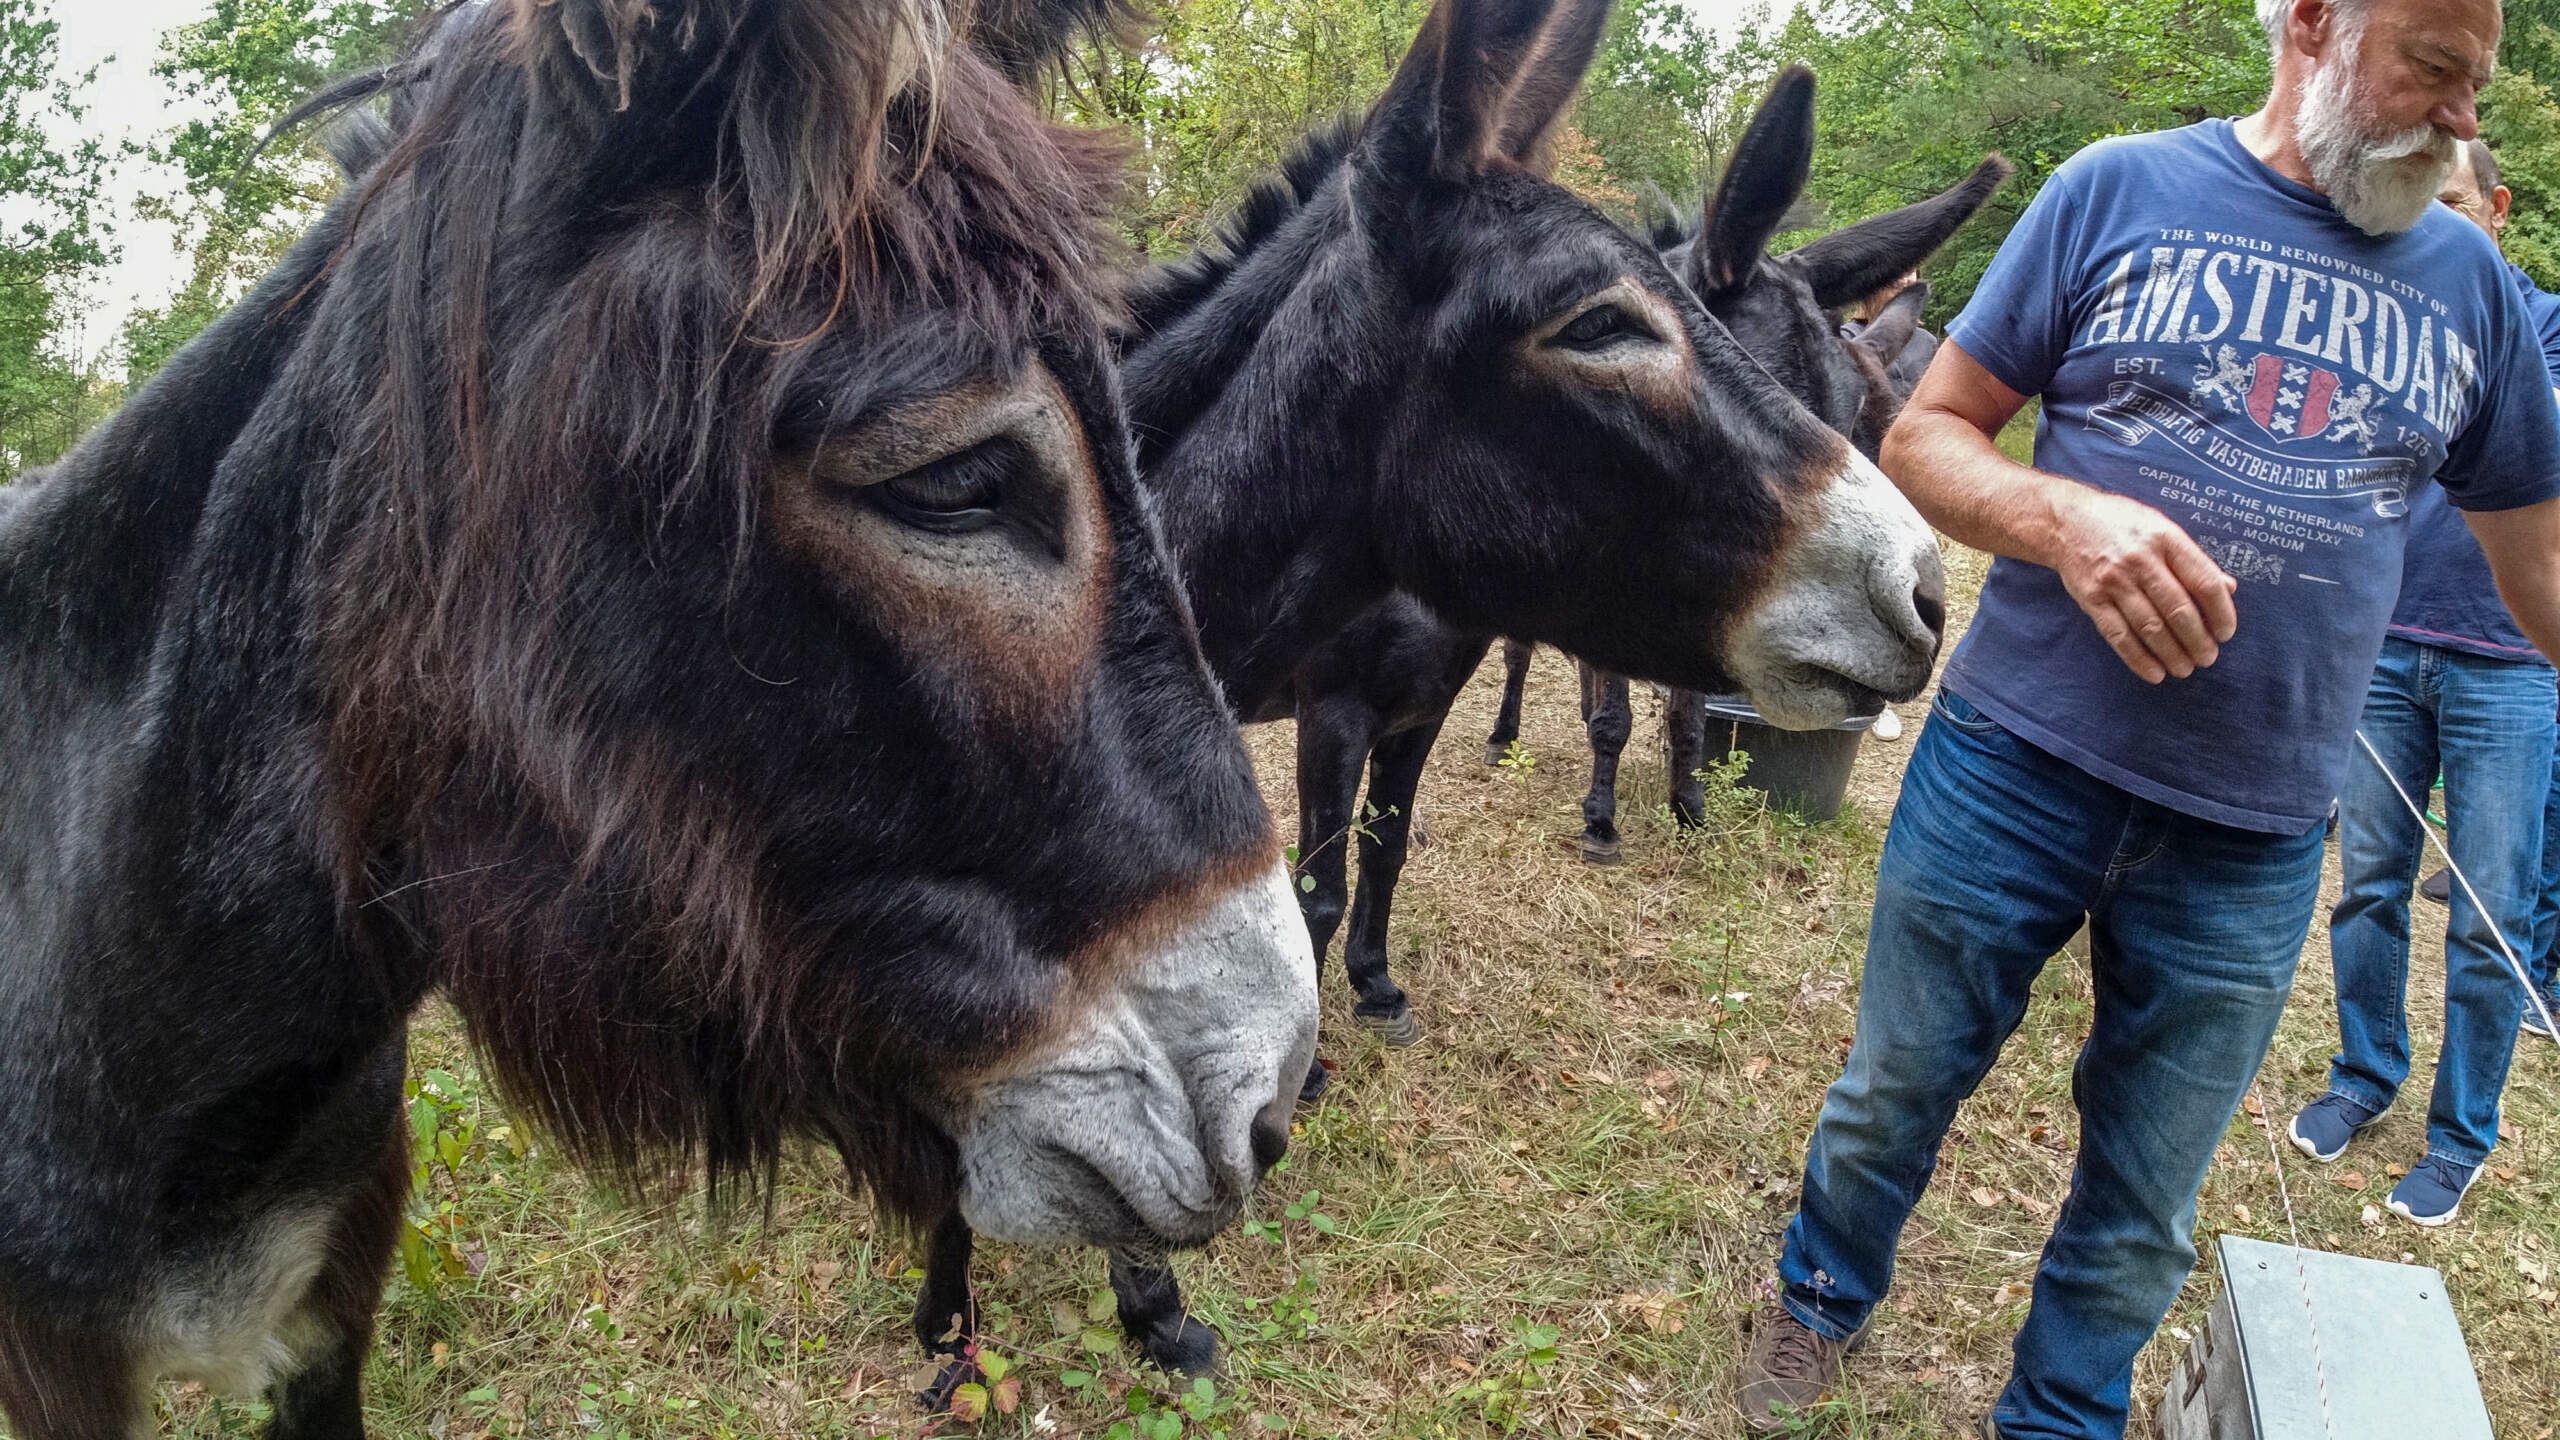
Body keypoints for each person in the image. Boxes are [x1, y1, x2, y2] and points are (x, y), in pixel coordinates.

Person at [1738, 2, 2560, 1437]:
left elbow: (2538, 566)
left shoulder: (2472, 290)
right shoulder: (2116, 187)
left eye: (2476, 88)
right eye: (2435, 69)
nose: (2463, 121)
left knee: (2148, 1196)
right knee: (1894, 1090)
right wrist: (2064, 518)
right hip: (2011, 771)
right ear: (2314, 23)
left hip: (2251, 837)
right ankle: (1818, 1300)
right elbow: (1928, 433)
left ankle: (2059, 1414)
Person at [2291, 138, 2560, 1226]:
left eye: (2452, 205)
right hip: (2384, 646)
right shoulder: (2387, 320)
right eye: (2420, 211)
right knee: (2366, 886)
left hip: (2512, 666)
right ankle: (2364, 1073)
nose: (2436, 228)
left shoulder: (2545, 329)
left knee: (2489, 917)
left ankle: (2461, 1135)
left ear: (2493, 208)